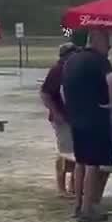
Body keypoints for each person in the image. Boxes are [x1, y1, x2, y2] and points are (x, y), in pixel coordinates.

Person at [61, 30, 112, 222]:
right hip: (95, 118)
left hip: (76, 117)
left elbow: (62, 88)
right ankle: (88, 209)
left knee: (80, 163)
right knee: (93, 165)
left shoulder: (72, 60)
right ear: (98, 41)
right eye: (108, 43)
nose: (109, 48)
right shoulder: (99, 59)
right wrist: (111, 105)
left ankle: (78, 204)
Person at [41, 43, 78, 199]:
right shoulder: (57, 70)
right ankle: (61, 187)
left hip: (74, 118)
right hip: (62, 119)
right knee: (65, 152)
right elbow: (45, 93)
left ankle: (74, 186)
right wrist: (55, 112)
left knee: (77, 153)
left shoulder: (73, 69)